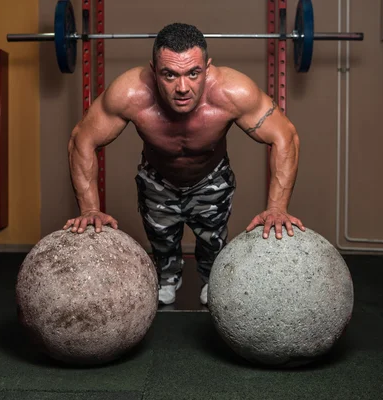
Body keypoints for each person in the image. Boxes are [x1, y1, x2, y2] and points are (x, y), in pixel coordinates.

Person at [63, 22, 305, 306]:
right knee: (162, 242)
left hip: (210, 178)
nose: (182, 87)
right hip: (158, 179)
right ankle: (168, 276)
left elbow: (285, 136)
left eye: (193, 73)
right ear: (154, 71)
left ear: (207, 67)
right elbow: (82, 140)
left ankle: (211, 277)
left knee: (212, 242)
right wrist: (90, 209)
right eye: (169, 75)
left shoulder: (233, 92)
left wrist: (277, 208)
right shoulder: (130, 94)